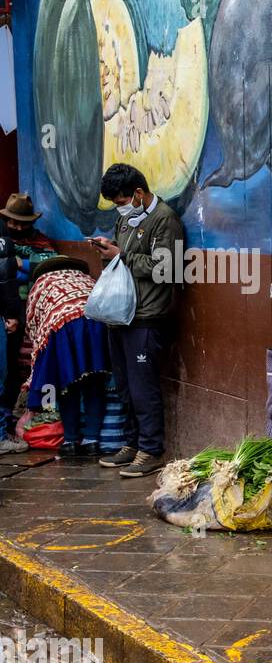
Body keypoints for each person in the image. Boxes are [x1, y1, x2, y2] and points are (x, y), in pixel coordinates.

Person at [90, 165, 185, 478]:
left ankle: (150, 449)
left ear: (139, 194)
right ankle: (131, 443)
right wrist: (110, 252)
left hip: (146, 316)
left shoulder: (164, 220)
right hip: (121, 314)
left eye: (121, 200)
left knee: (144, 386)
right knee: (126, 385)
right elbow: (125, 258)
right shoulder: (125, 220)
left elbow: (167, 269)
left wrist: (122, 255)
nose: (120, 207)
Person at [22, 257, 112, 456]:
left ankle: (70, 440)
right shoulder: (86, 278)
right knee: (94, 383)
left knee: (65, 385)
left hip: (64, 330)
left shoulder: (42, 283)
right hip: (98, 327)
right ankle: (92, 440)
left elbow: (33, 322)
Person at [0, 193, 57, 453]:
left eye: (24, 223)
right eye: (14, 223)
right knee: (7, 370)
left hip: (31, 313)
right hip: (9, 312)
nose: (19, 228)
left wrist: (22, 264)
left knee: (23, 369)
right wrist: (19, 267)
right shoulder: (3, 243)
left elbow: (50, 264)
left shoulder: (41, 242)